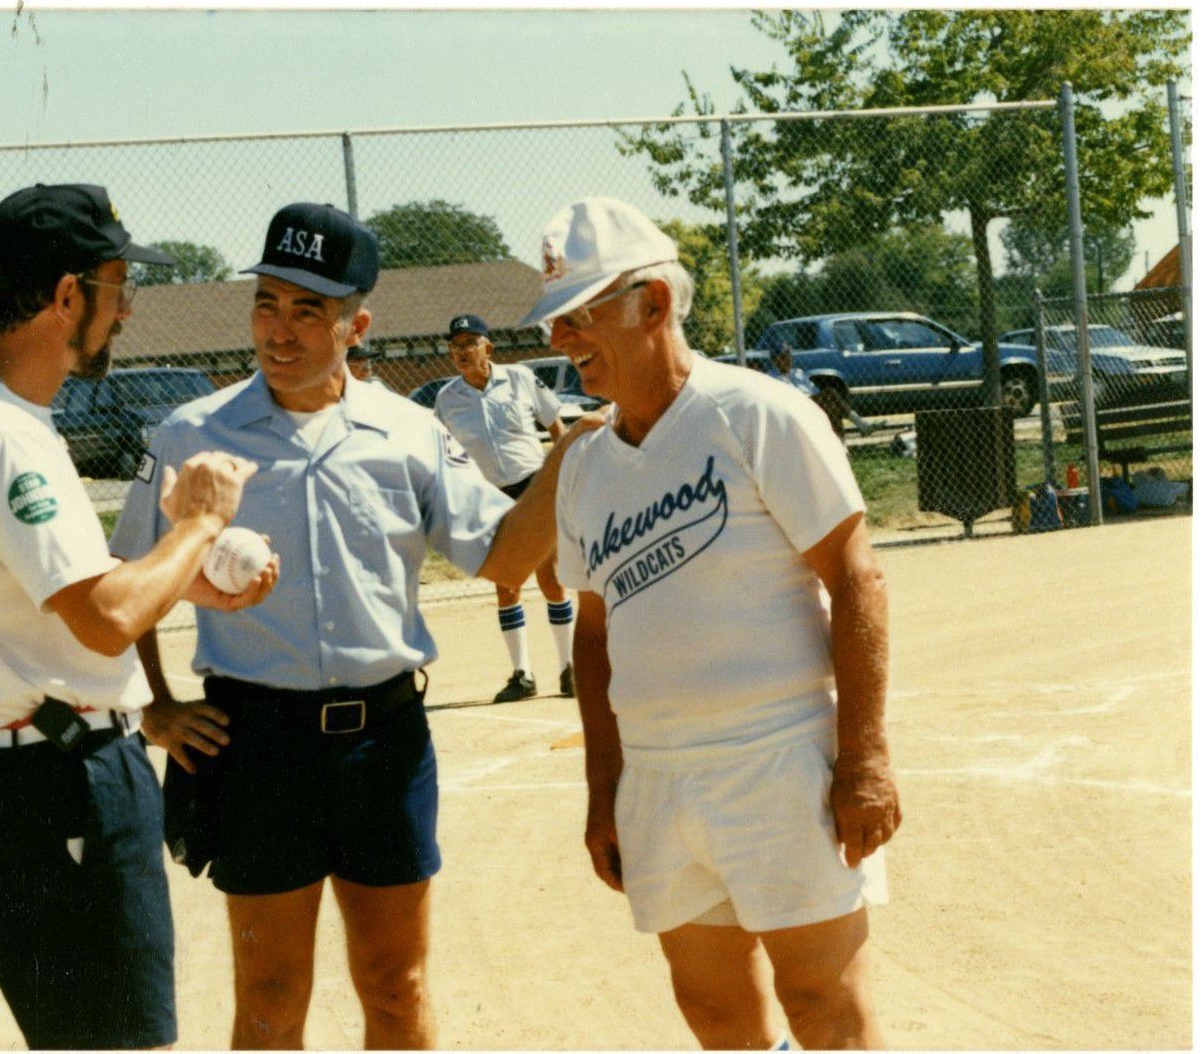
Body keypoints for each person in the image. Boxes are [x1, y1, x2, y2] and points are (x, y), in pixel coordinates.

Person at [110, 201, 596, 1050]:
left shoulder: (407, 431)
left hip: (384, 739)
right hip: (257, 741)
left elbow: (502, 557)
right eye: (266, 304)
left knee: (395, 985)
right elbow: (124, 577)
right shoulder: (193, 432)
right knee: (269, 996)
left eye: (308, 311)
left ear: (356, 325)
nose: (279, 331)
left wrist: (565, 459)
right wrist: (153, 703)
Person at [523, 197, 900, 1050]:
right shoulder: (583, 462)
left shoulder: (756, 414)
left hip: (776, 756)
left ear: (653, 303)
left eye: (579, 313)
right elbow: (593, 634)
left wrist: (864, 758)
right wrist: (604, 790)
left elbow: (855, 578)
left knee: (823, 1004)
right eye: (554, 318)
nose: (559, 338)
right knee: (714, 1011)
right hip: (656, 774)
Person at [0, 182, 278, 1050]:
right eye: (119, 286)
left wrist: (185, 579)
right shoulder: (3, 436)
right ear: (68, 295)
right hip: (63, 782)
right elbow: (107, 620)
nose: (127, 309)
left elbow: (67, 586)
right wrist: (200, 524)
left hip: (27, 779)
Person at [433, 313, 577, 702]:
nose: (461, 351)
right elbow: (443, 453)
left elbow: (556, 425)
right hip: (490, 495)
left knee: (551, 578)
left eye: (469, 343)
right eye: (455, 346)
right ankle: (522, 675)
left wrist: (564, 474)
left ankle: (569, 668)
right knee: (506, 584)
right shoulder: (447, 399)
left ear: (488, 348)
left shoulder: (519, 378)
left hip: (533, 487)